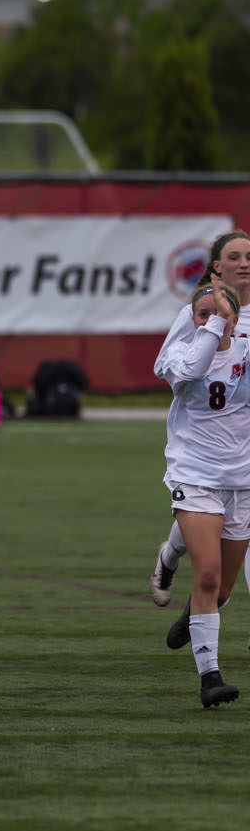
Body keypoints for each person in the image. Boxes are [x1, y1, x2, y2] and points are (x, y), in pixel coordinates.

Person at [157, 277, 249, 708]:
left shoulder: (246, 351)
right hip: (194, 475)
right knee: (208, 575)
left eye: (220, 312)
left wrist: (232, 330)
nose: (210, 320)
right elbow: (194, 369)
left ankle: (193, 612)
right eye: (201, 313)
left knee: (223, 591)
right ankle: (210, 677)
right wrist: (216, 324)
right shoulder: (179, 353)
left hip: (242, 481)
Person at [152, 227, 250, 606]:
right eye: (234, 258)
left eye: (249, 258)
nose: (243, 265)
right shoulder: (199, 311)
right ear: (216, 267)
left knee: (223, 579)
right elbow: (168, 365)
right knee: (206, 513)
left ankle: (199, 614)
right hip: (208, 443)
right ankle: (170, 555)